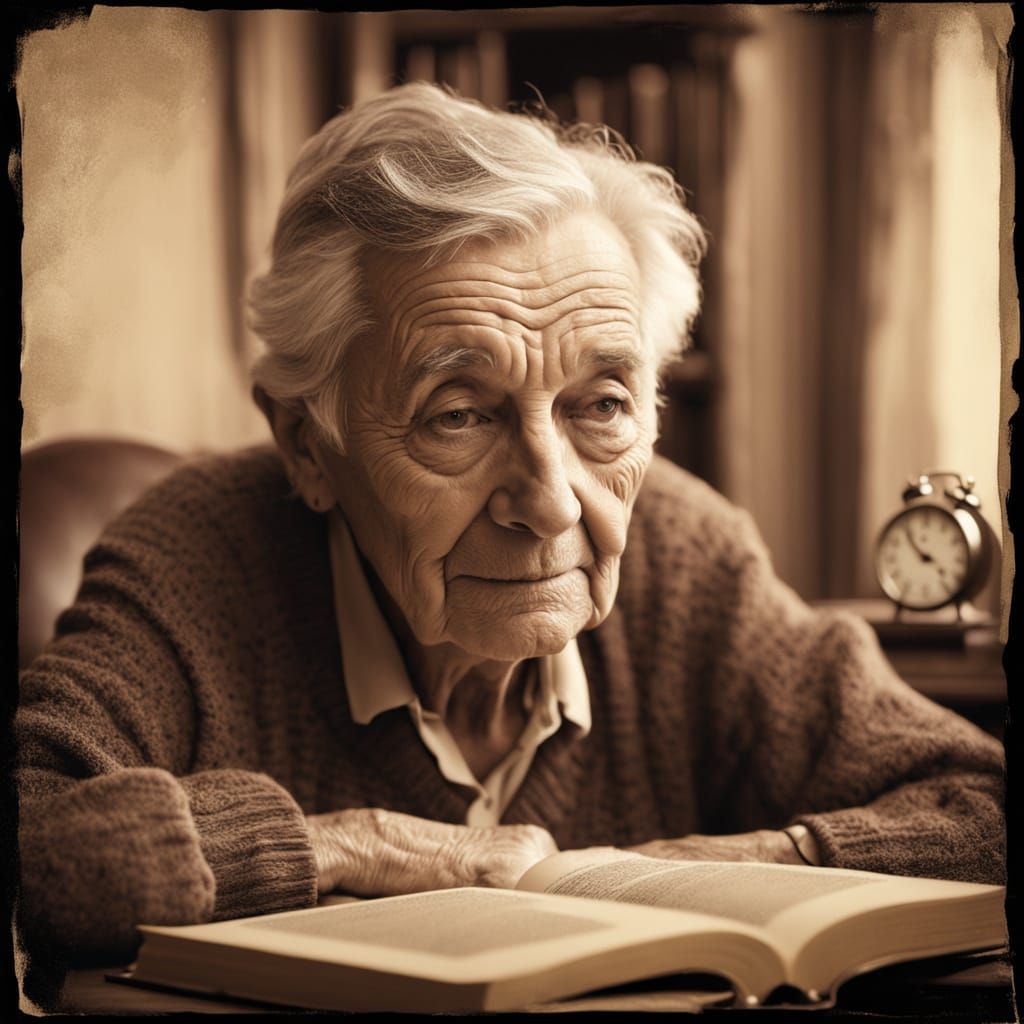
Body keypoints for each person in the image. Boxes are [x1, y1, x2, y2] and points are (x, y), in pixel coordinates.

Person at [16, 83, 1004, 993]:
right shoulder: (196, 560)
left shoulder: (686, 555)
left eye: (602, 405)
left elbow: (981, 804)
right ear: (307, 443)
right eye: (459, 413)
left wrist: (755, 864)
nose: (551, 499)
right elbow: (34, 833)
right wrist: (341, 847)